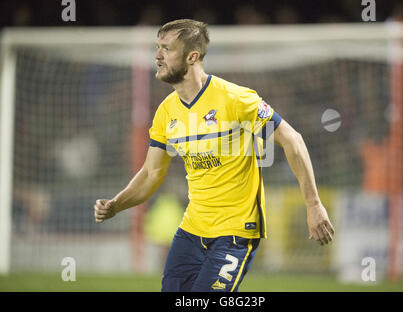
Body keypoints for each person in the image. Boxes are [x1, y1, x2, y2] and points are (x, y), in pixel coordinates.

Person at [94, 19, 335, 292]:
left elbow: (293, 140)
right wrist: (116, 204)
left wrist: (313, 205)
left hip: (235, 232)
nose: (157, 56)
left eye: (166, 49)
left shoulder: (235, 99)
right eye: (157, 47)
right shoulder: (166, 111)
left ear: (192, 56)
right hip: (192, 230)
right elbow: (151, 173)